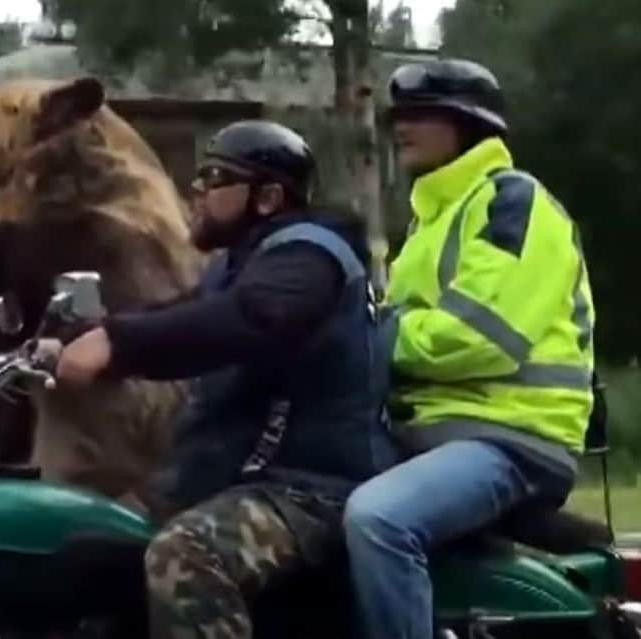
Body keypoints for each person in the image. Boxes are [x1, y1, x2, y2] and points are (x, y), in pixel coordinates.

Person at [42, 120, 397, 639]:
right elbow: (184, 325)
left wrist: (117, 343)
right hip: (238, 477)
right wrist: (81, 344)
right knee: (84, 536)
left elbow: (255, 318)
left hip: (308, 489)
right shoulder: (240, 263)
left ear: (268, 196)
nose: (197, 188)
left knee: (187, 553)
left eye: (215, 177)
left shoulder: (310, 253)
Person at [341, 58, 597, 639]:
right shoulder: (432, 221)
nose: (402, 126)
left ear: (469, 125)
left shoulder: (512, 204)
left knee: (380, 518)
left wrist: (370, 339)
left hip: (508, 438)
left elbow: (481, 336)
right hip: (429, 433)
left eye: (423, 114)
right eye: (398, 115)